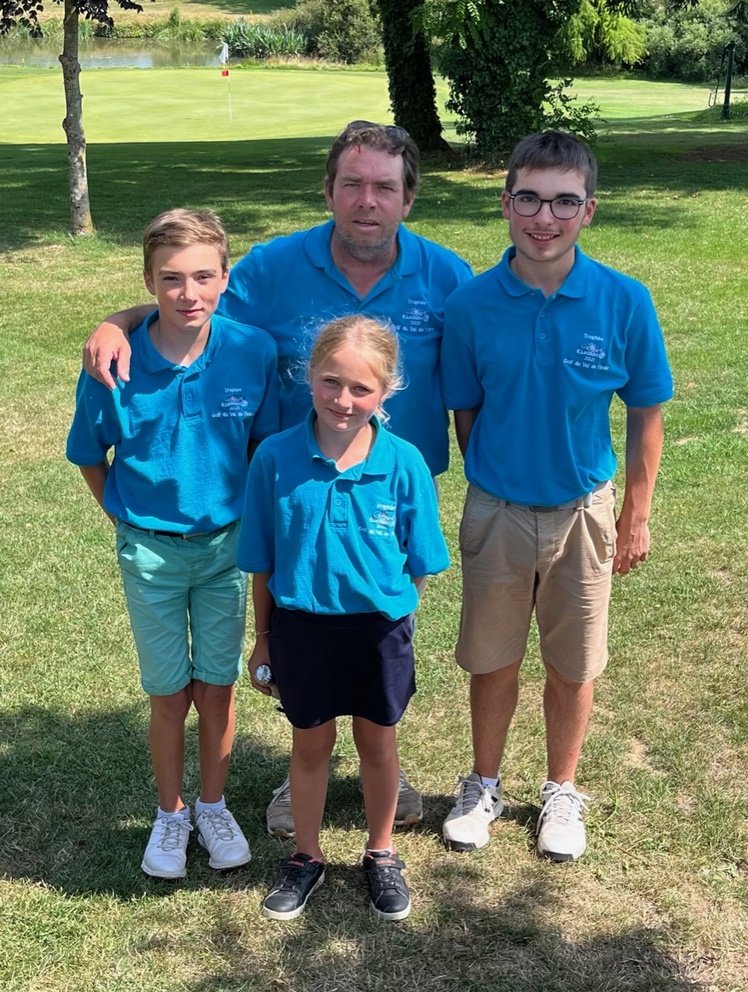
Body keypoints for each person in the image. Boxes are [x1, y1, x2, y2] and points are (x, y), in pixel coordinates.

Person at [81, 120, 473, 837]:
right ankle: (308, 771)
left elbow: (488, 362)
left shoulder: (447, 277)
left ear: (408, 198)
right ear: (328, 190)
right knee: (306, 629)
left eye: (384, 186)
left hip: (392, 489)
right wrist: (118, 319)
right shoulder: (272, 268)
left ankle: (383, 756)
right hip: (294, 492)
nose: (366, 201)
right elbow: (194, 306)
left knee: (383, 628)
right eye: (351, 183)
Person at [439, 131, 674, 862]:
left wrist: (635, 514)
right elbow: (466, 411)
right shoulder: (472, 304)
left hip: (583, 512)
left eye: (565, 202)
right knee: (492, 659)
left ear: (589, 210)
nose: (546, 217)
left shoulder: (623, 301)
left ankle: (562, 791)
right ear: (506, 204)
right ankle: (482, 784)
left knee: (574, 664)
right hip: (498, 510)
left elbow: (645, 415)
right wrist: (498, 473)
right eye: (531, 199)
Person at [66, 209, 280, 880]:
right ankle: (171, 814)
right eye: (172, 279)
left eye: (204, 277)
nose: (190, 294)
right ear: (148, 282)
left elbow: (263, 450)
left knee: (216, 688)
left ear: (225, 276)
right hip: (149, 555)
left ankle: (213, 806)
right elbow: (89, 454)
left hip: (225, 550)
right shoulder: (115, 363)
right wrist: (126, 519)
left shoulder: (253, 351)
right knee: (168, 695)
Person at [237, 315, 449, 921]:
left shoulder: (404, 463)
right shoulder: (276, 459)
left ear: (387, 391)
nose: (344, 400)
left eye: (362, 389)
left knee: (377, 744)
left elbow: (420, 562)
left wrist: (391, 615)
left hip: (378, 631)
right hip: (301, 629)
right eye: (331, 382)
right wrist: (265, 638)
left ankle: (381, 853)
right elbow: (261, 562)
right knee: (311, 746)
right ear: (308, 377)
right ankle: (306, 857)